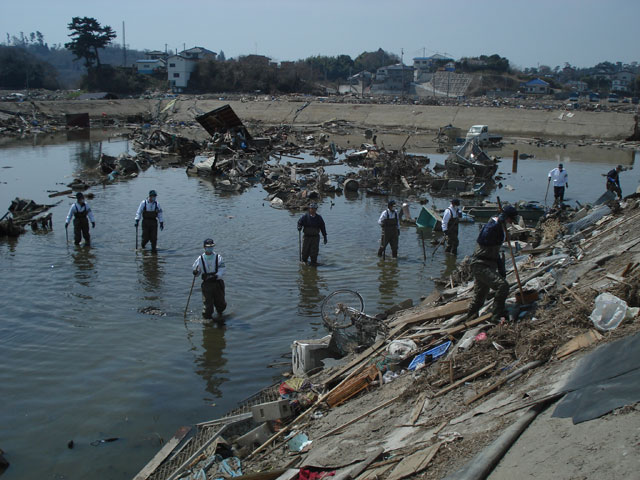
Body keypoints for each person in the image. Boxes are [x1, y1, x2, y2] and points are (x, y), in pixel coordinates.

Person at [464, 205, 518, 321]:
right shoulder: (491, 226)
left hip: (488, 265)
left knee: (480, 296)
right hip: (480, 264)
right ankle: (496, 315)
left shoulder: (499, 228)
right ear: (505, 217)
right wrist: (499, 227)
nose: (510, 223)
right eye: (510, 220)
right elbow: (484, 238)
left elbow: (496, 254)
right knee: (502, 286)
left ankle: (470, 319)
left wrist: (502, 270)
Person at [192, 238, 227, 319]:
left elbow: (223, 269)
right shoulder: (200, 259)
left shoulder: (218, 257)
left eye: (211, 247)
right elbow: (196, 270)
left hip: (217, 283)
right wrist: (195, 272)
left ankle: (220, 316)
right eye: (208, 247)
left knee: (221, 304)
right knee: (208, 306)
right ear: (204, 247)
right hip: (207, 284)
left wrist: (217, 276)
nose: (210, 248)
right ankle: (207, 320)